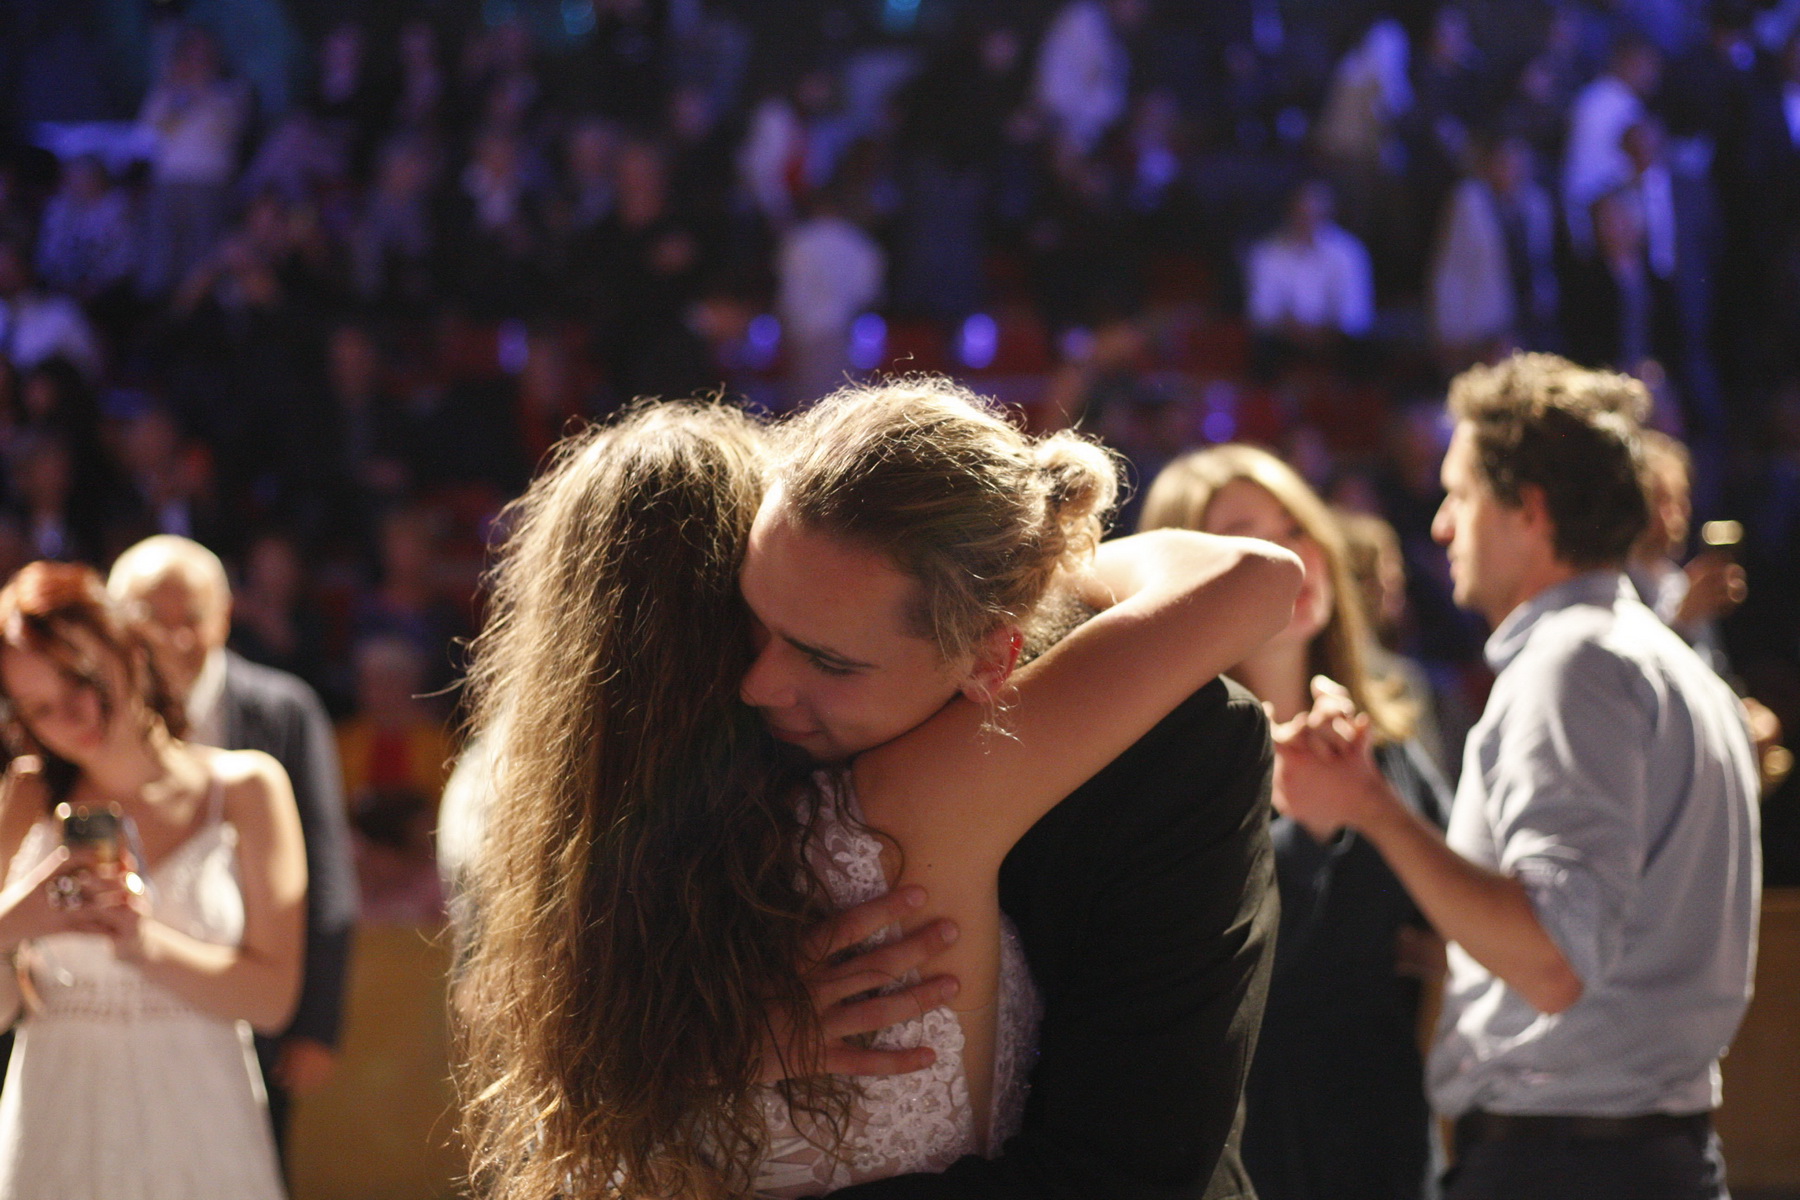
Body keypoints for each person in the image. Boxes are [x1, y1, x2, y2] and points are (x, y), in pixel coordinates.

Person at [455, 392, 1300, 1198]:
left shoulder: (587, 868)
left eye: (827, 659)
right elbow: (1254, 577)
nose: (757, 683)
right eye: (753, 624)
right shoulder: (893, 802)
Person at [1272, 353, 1760, 1200]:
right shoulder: (1660, 659)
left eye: (1459, 496)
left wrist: (1368, 805)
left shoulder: (1571, 666)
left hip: (1568, 1166)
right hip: (1634, 1156)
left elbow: (1554, 961)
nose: (1441, 527)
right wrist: (1455, 952)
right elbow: (1601, 938)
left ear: (1528, 510)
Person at [1138, 444, 1449, 1200]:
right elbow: (1193, 975)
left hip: (1386, 1141)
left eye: (1297, 528)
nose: (1291, 558)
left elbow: (1456, 917)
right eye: (1247, 539)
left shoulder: (1385, 744)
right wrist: (1307, 832)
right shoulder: (1167, 763)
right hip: (1243, 1151)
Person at [0, 560, 305, 1199]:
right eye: (41, 709)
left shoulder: (247, 787)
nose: (73, 716)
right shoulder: (27, 796)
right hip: (57, 1116)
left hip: (201, 1115)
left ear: (128, 646)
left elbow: (274, 999)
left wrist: (144, 943)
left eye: (80, 678)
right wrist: (16, 921)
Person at [106, 534, 358, 1156]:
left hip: (252, 1010)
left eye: (191, 618)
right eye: (150, 618)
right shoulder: (86, 715)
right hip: (109, 1010)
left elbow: (325, 869)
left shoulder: (284, 711)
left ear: (224, 616)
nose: (174, 638)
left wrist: (316, 1024)